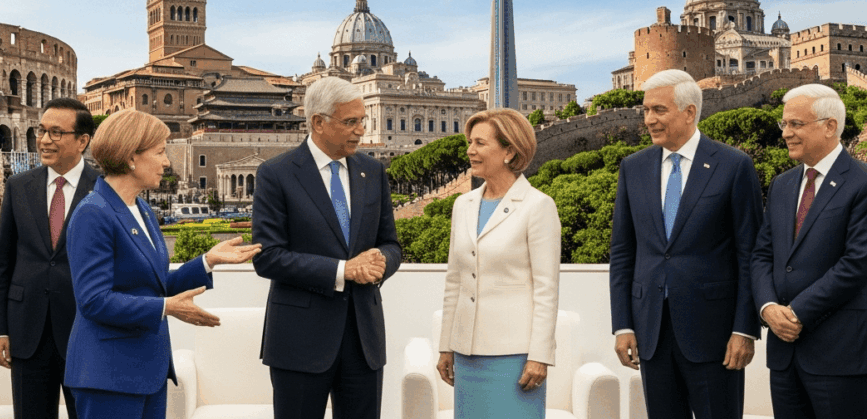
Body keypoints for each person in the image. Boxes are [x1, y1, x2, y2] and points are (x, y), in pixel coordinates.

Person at [62, 108, 260, 419]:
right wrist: (167, 307)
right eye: (160, 152)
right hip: (109, 377)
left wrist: (207, 261)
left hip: (148, 371)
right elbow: (94, 301)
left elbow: (153, 285)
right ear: (131, 157)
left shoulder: (141, 209)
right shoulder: (93, 213)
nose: (167, 162)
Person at [609, 69, 762, 419]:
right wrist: (623, 325)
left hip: (716, 336)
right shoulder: (633, 168)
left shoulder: (734, 165)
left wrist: (744, 329)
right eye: (646, 110)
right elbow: (623, 253)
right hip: (651, 333)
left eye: (659, 110)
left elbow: (750, 254)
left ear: (689, 112)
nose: (649, 119)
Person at [252, 76, 400, 419]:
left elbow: (391, 243)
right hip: (299, 341)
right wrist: (344, 270)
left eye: (362, 120)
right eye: (350, 122)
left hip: (364, 341)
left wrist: (381, 261)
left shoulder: (373, 171)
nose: (361, 130)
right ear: (318, 122)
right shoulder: (276, 174)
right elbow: (268, 257)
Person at [751, 84, 867, 417]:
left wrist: (796, 312)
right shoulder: (782, 185)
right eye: (784, 124)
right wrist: (768, 308)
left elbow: (857, 263)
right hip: (784, 356)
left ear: (830, 126)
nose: (785, 133)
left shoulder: (861, 183)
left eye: (796, 124)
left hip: (841, 355)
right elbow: (762, 255)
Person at [435, 109, 560, 417]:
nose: (470, 151)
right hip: (466, 356)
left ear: (509, 151)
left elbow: (546, 289)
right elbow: (454, 281)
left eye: (480, 143)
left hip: (516, 358)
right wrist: (446, 345)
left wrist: (540, 355)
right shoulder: (462, 205)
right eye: (469, 142)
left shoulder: (538, 206)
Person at [0, 98, 99, 419]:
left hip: (85, 331)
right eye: (42, 131)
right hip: (26, 331)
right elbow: (3, 263)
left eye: (56, 132)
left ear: (82, 141)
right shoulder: (18, 186)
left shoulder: (104, 189)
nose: (45, 140)